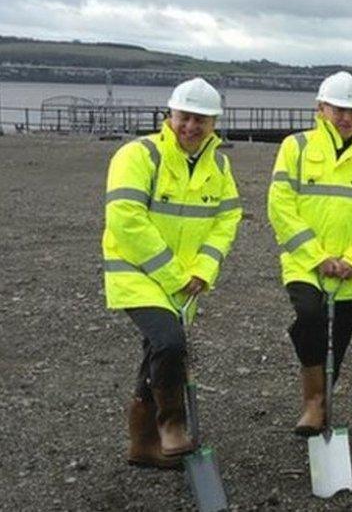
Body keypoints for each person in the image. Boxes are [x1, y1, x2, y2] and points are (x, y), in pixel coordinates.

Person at [103, 77, 243, 468]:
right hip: (137, 275)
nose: (191, 127)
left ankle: (142, 447)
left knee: (156, 351)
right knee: (169, 343)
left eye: (201, 120)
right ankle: (172, 424)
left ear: (213, 123)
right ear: (170, 115)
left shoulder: (218, 163)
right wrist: (174, 276)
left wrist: (203, 269)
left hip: (186, 280)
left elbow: (227, 218)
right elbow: (125, 219)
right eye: (185, 117)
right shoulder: (138, 155)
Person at [267, 71, 352, 437]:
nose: (345, 118)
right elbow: (280, 206)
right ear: (320, 108)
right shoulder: (296, 146)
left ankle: (322, 402)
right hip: (305, 263)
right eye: (338, 109)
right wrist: (317, 257)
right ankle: (313, 403)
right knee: (309, 316)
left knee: (337, 339)